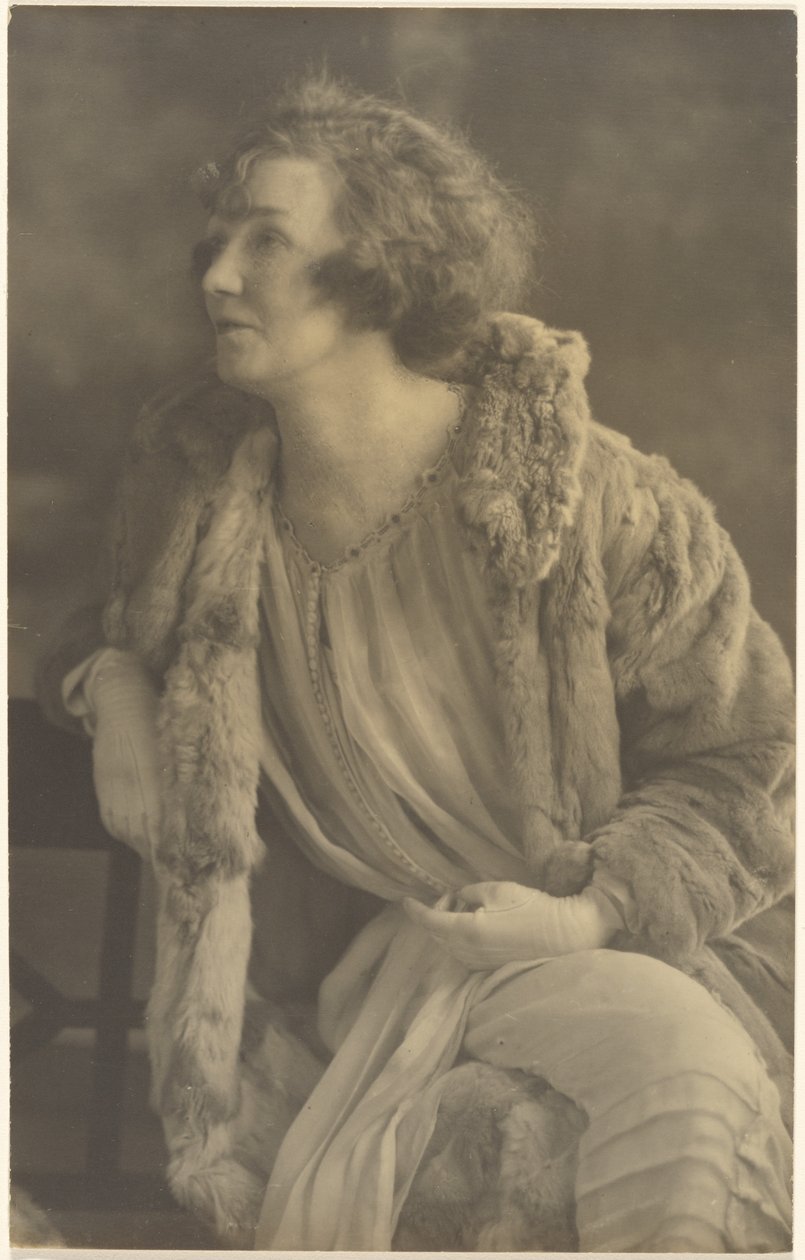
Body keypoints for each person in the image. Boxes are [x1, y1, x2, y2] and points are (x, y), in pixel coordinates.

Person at [39, 75, 794, 1252]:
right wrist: (116, 686)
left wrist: (581, 916)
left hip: (597, 937)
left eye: (267, 242)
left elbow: (745, 756)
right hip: (373, 974)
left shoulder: (591, 499)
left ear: (381, 272)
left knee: (678, 1067)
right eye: (217, 242)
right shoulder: (202, 493)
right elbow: (102, 621)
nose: (218, 276)